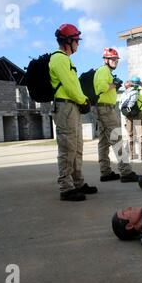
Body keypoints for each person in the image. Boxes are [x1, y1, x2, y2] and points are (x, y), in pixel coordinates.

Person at [49, 24, 97, 201]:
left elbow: (73, 85)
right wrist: (83, 100)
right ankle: (66, 187)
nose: (78, 44)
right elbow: (69, 86)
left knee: (76, 147)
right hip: (66, 107)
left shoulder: (66, 60)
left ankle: (77, 182)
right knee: (67, 148)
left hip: (72, 106)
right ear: (68, 41)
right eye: (77, 40)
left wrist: (82, 99)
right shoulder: (59, 58)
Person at [94, 48, 139, 182]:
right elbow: (101, 87)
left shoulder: (104, 71)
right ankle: (126, 172)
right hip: (106, 109)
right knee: (117, 138)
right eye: (113, 59)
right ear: (106, 60)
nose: (116, 61)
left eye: (116, 59)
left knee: (103, 142)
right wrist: (114, 85)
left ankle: (105, 172)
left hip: (101, 108)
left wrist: (113, 84)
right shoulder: (103, 71)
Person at [120, 76, 142, 160]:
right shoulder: (141, 92)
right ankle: (141, 155)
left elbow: (121, 105)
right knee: (141, 135)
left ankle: (131, 155)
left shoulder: (125, 93)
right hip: (139, 113)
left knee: (130, 134)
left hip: (128, 115)